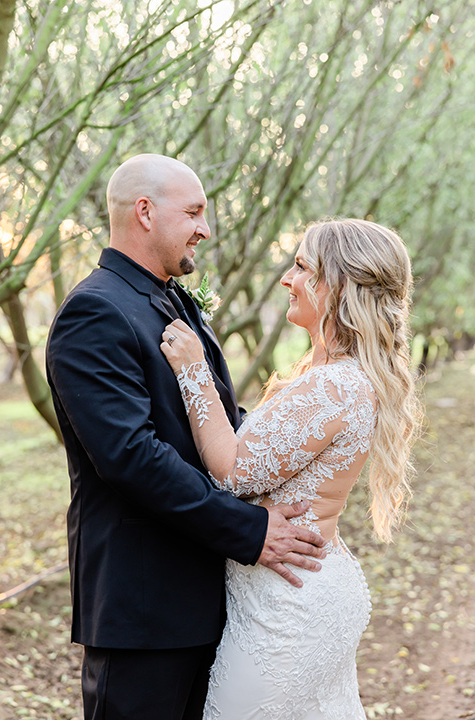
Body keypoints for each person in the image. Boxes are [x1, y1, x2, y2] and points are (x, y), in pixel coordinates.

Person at [45, 153, 327, 720]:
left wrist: (291, 445)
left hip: (205, 594)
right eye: (194, 212)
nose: (205, 228)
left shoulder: (169, 299)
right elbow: (132, 458)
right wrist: (250, 531)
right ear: (145, 213)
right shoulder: (95, 313)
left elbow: (216, 414)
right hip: (144, 609)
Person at [161, 218, 420, 719]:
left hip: (288, 606)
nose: (287, 278)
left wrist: (194, 371)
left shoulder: (333, 387)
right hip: (302, 586)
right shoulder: (335, 375)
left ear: (338, 284)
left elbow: (233, 472)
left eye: (301, 266)